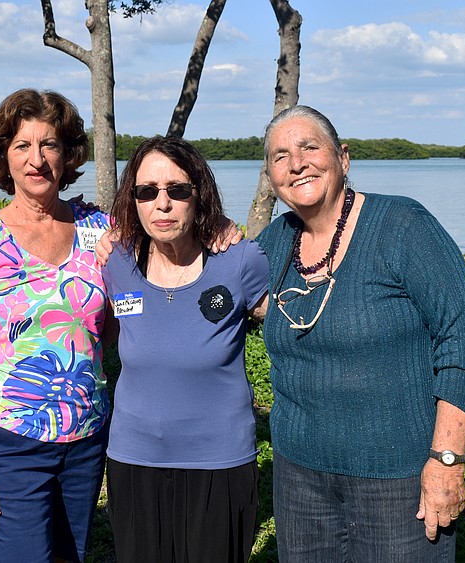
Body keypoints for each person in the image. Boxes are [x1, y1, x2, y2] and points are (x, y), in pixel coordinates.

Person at [255, 105, 465, 562]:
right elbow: (213, 298)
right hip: (299, 480)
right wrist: (134, 245)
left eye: (310, 147)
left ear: (344, 158)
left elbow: (462, 338)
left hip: (399, 479)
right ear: (272, 177)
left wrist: (447, 461)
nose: (296, 163)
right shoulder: (275, 242)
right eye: (280, 156)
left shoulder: (403, 227)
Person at [0, 88, 113, 563]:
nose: (36, 159)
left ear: (68, 155)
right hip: (14, 441)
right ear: (4, 156)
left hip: (87, 437)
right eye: (22, 145)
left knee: (71, 556)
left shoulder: (99, 230)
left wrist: (221, 231)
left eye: (50, 145)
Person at [102, 136, 268, 562]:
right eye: (146, 191)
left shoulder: (240, 260)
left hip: (220, 462)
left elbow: (296, 332)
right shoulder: (115, 261)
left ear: (199, 195)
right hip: (134, 461)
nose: (162, 204)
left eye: (178, 190)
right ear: (132, 199)